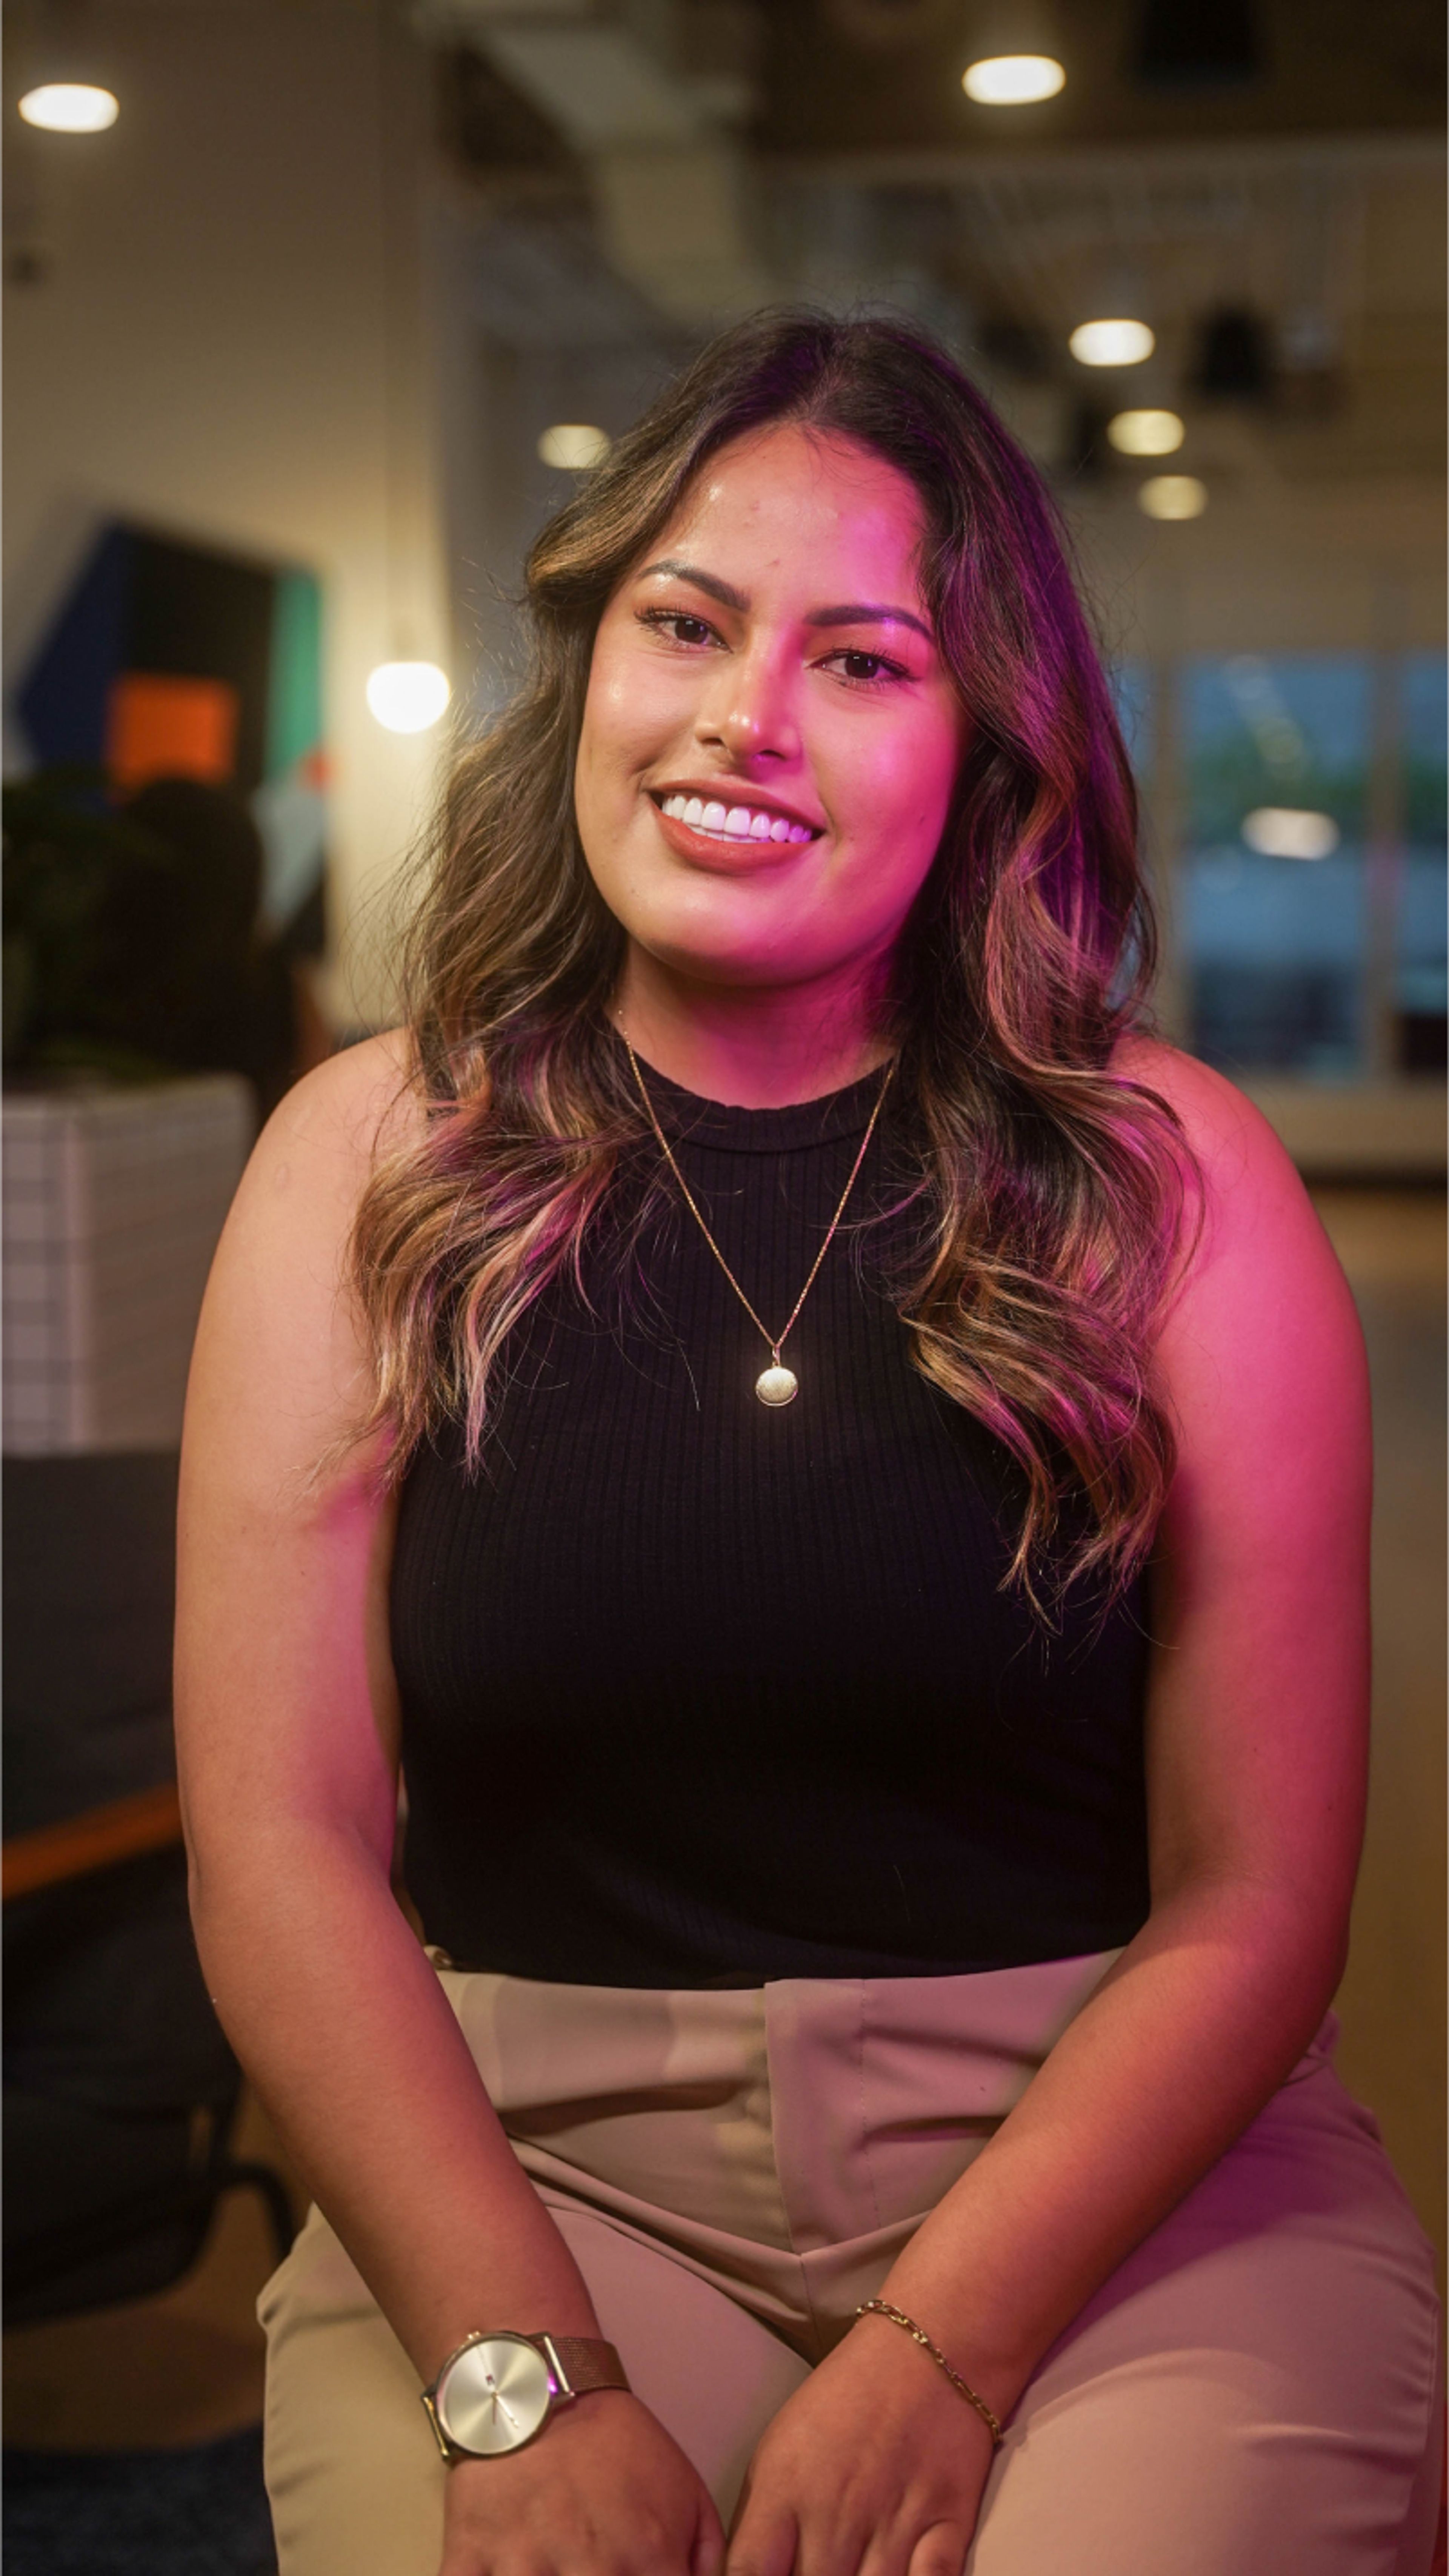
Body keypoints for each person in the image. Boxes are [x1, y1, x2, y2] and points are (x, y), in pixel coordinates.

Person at [174, 311, 1443, 2576]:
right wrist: (519, 2376)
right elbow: (279, 1843)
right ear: (594, 660)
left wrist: (947, 2351)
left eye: (863, 661)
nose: (743, 715)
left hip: (1111, 2176)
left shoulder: (1179, 1182)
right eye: (685, 621)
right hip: (523, 2171)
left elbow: (1260, 1894)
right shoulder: (364, 1159)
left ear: (988, 750)